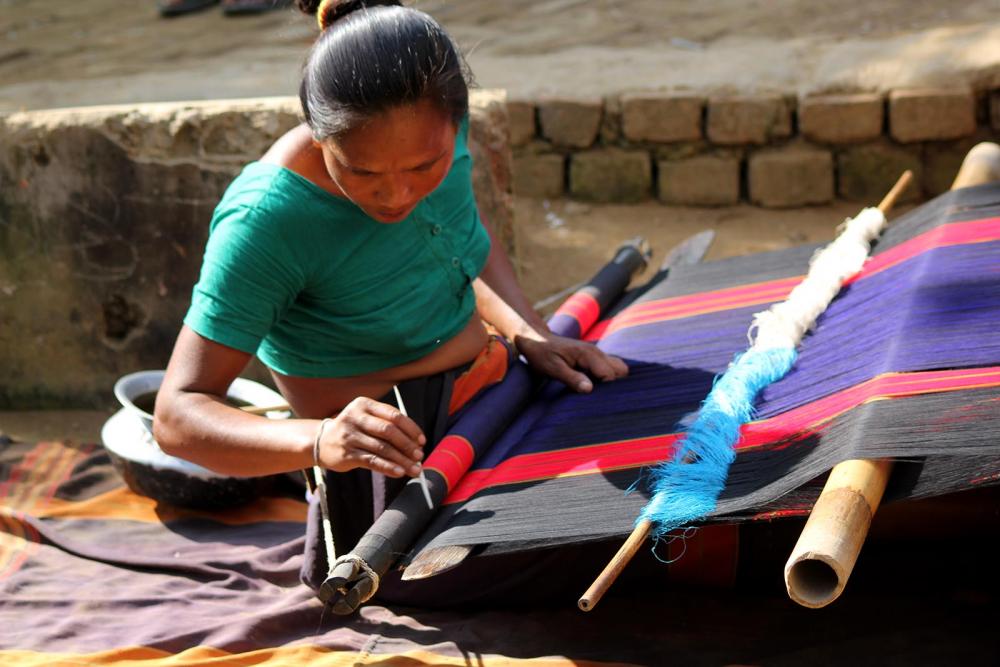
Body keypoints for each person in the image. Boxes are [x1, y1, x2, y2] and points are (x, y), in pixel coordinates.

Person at [153, 0, 628, 605]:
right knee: (604, 547)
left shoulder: (442, 138)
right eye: (363, 172)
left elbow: (458, 232)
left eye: (424, 165)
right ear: (321, 135)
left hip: (498, 393)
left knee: (667, 450)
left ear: (454, 124)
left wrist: (529, 332)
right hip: (398, 477)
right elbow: (177, 414)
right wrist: (324, 439)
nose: (398, 193)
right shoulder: (267, 221)